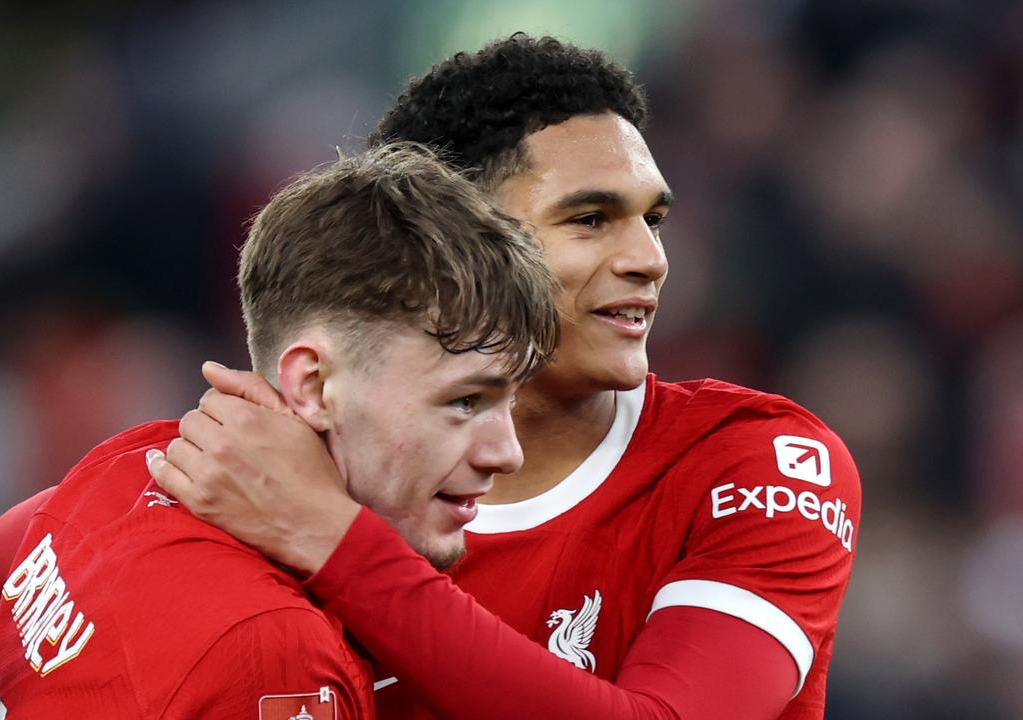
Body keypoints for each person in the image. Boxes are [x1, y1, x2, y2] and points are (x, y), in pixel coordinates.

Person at [145, 35, 862, 720]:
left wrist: (334, 542)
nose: (649, 258)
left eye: (654, 219)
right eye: (590, 219)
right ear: (461, 243)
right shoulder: (284, 473)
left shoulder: (757, 465)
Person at [0, 143, 560, 719]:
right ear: (313, 386)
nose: (506, 451)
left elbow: (6, 550)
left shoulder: (129, 464)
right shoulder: (274, 655)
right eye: (464, 403)